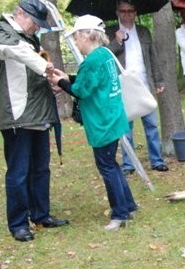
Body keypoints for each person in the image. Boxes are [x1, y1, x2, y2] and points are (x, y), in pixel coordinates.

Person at [0, 0, 69, 242]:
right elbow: (13, 52)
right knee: (19, 172)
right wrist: (45, 67)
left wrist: (51, 84)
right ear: (20, 14)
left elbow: (30, 71)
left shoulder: (29, 38)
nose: (38, 27)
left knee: (41, 169)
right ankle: (18, 224)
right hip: (17, 116)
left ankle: (41, 215)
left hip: (39, 114)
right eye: (35, 22)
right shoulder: (1, 33)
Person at [49, 15, 137, 231]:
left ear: (86, 35)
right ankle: (129, 206)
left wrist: (61, 81)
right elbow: (91, 81)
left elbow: (82, 90)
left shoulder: (92, 60)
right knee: (112, 165)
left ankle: (120, 214)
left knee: (107, 166)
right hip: (112, 117)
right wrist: (67, 78)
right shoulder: (104, 55)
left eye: (76, 37)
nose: (76, 42)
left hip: (102, 121)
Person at [106, 0, 169, 173]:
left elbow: (153, 57)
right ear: (118, 12)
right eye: (123, 11)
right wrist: (116, 42)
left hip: (143, 83)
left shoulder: (143, 32)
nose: (126, 14)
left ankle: (157, 161)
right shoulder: (111, 32)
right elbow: (105, 57)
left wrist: (159, 80)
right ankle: (129, 164)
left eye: (130, 11)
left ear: (135, 13)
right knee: (126, 128)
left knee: (152, 125)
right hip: (123, 85)